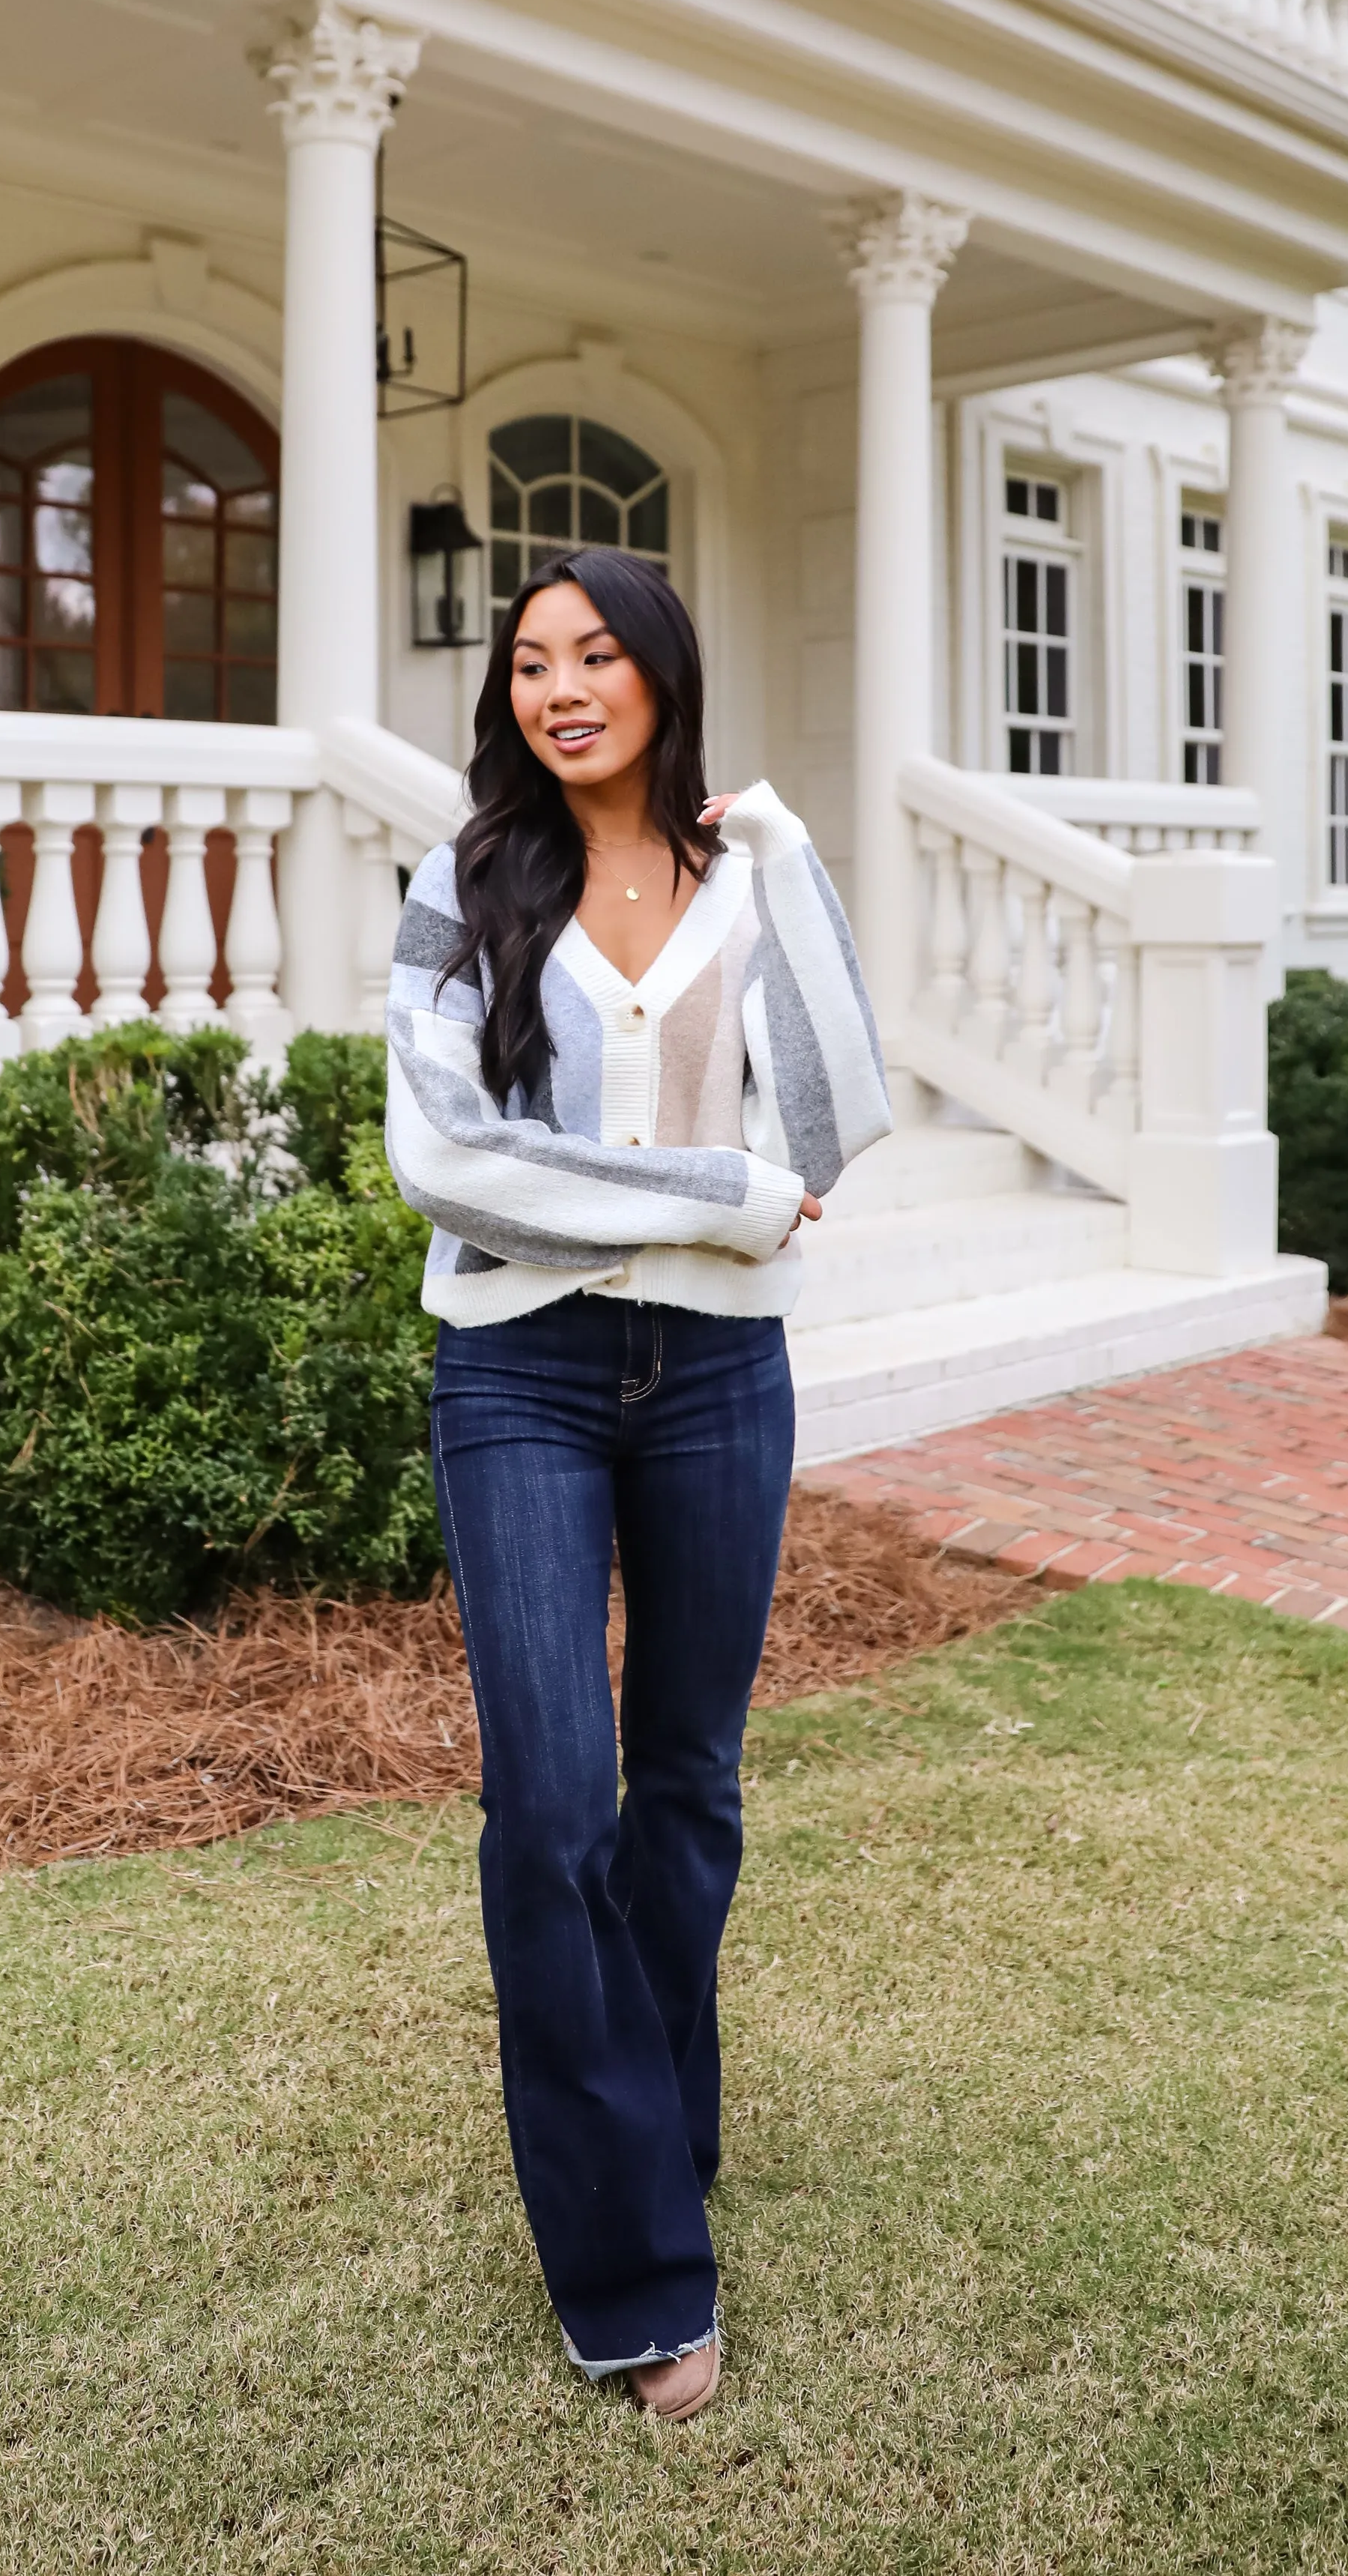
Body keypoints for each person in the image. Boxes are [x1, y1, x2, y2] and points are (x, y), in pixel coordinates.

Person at [384, 545, 892, 2419]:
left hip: (713, 1382)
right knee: (552, 1802)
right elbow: (449, 1153)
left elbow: (837, 1118)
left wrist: (785, 849)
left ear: (664, 671)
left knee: (688, 1781)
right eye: (532, 659)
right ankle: (630, 2267)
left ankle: (654, 2123)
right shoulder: (461, 877)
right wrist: (721, 1201)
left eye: (597, 653)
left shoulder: (742, 881)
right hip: (517, 1370)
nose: (561, 685)